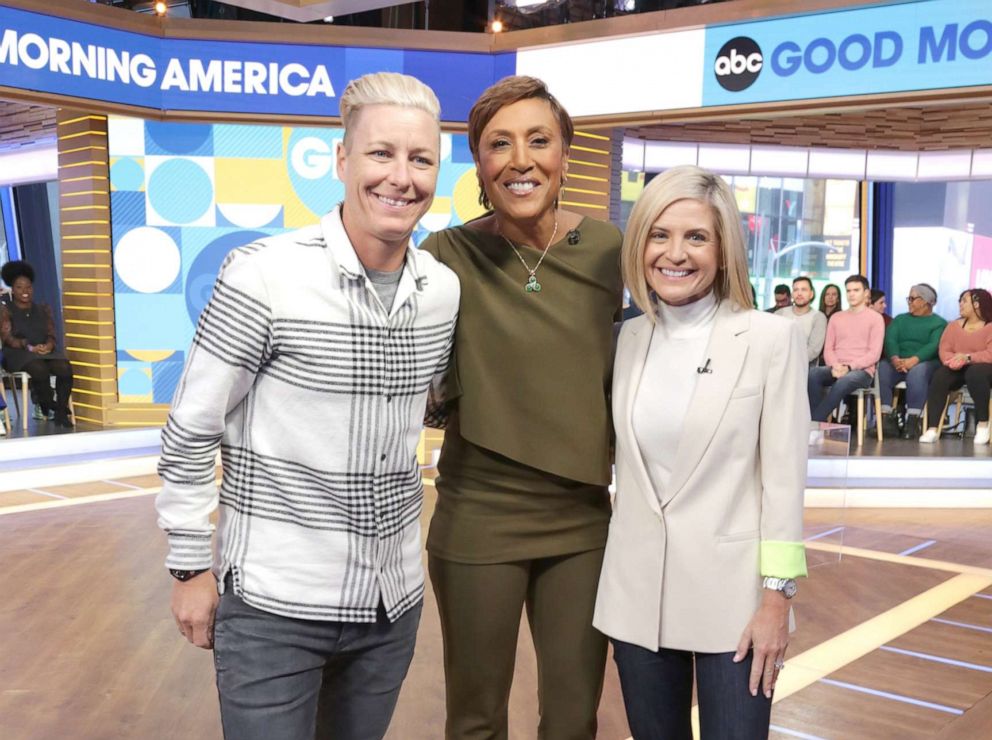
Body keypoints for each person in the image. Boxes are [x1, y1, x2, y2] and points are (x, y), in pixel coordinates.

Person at [154, 72, 460, 740]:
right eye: (381, 154)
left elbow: (427, 408)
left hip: (390, 605)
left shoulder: (442, 292)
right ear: (342, 160)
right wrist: (188, 565)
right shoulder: (263, 275)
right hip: (274, 607)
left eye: (421, 159)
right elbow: (190, 428)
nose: (400, 177)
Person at [420, 75, 622, 740]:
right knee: (475, 718)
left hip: (583, 518)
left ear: (565, 154)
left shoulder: (612, 252)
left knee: (572, 718)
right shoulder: (443, 256)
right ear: (479, 162)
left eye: (540, 140)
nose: (521, 159)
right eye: (498, 144)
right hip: (479, 513)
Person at [593, 165, 808, 739]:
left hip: (736, 604)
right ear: (640, 245)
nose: (675, 254)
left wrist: (776, 598)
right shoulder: (627, 338)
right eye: (659, 235)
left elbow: (784, 479)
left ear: (723, 248)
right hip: (636, 598)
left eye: (696, 237)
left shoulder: (769, 338)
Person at [0, 260, 74, 428]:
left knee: (65, 367)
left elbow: (51, 334)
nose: (25, 291)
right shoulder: (5, 310)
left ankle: (60, 411)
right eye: (19, 287)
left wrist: (48, 345)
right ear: (12, 289)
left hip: (43, 351)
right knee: (39, 368)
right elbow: (7, 338)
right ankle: (48, 404)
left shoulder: (43, 308)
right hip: (17, 352)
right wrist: (29, 346)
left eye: (28, 287)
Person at [920, 289, 992, 446]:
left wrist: (967, 357)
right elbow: (944, 348)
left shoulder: (990, 327)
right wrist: (951, 360)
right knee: (940, 375)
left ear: (977, 304)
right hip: (958, 365)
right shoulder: (953, 326)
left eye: (964, 301)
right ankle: (932, 428)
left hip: (985, 368)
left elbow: (990, 354)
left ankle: (982, 424)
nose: (960, 304)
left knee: (975, 373)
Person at [807, 275, 884, 422]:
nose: (851, 294)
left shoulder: (875, 318)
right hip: (837, 367)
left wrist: (849, 367)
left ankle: (813, 422)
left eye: (856, 290)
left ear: (866, 293)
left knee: (844, 381)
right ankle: (817, 422)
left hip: (862, 371)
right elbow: (828, 349)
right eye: (848, 291)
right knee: (813, 374)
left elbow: (874, 354)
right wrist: (836, 366)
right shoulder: (837, 317)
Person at [877, 283, 946, 439]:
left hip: (925, 363)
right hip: (898, 362)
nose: (909, 301)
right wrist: (895, 358)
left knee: (918, 371)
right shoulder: (900, 319)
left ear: (925, 301)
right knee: (883, 367)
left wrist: (914, 360)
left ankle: (913, 422)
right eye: (909, 298)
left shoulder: (939, 323)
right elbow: (890, 340)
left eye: (912, 298)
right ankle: (886, 419)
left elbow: (933, 346)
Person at [776, 276, 826, 365]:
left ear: (811, 294)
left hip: (805, 368)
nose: (799, 293)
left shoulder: (819, 317)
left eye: (804, 290)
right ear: (792, 294)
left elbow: (813, 351)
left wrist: (790, 362)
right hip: (778, 364)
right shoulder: (779, 314)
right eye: (795, 290)